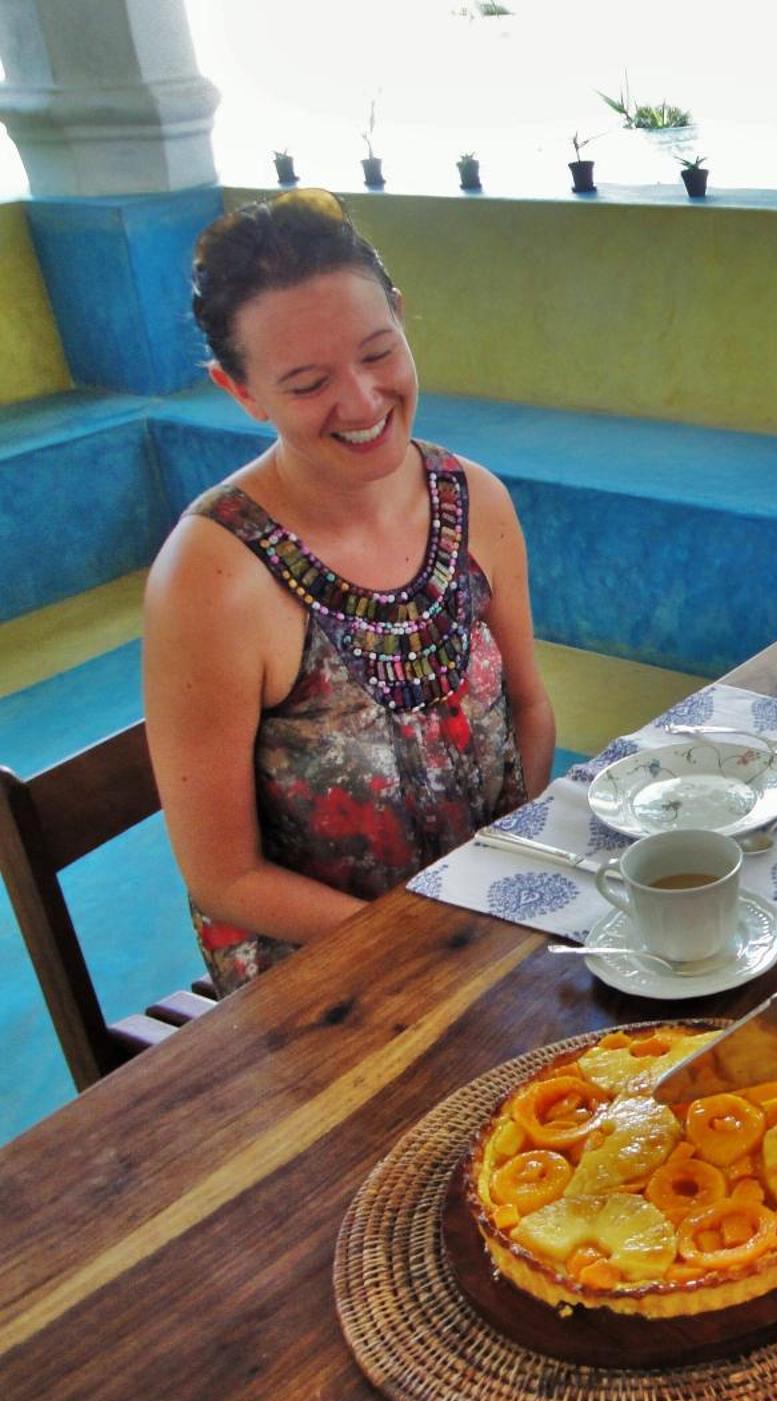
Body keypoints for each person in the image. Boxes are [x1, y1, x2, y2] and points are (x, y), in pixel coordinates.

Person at [145, 188, 554, 994]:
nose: (363, 402)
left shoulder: (474, 501)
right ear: (241, 391)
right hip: (327, 982)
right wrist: (428, 937)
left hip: (488, 929)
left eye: (377, 352)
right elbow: (224, 877)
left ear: (400, 317)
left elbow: (530, 710)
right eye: (306, 383)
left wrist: (504, 885)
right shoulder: (214, 577)